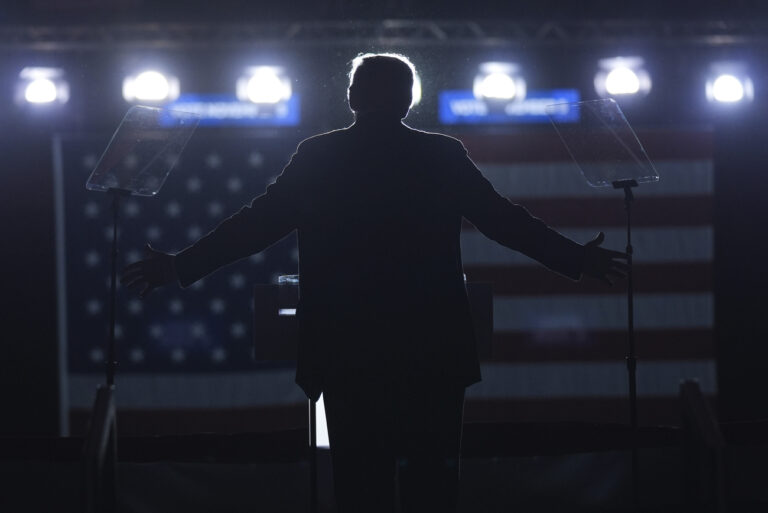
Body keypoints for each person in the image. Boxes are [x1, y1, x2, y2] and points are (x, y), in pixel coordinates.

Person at [121, 53, 627, 513]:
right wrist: (576, 259)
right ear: (409, 100)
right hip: (432, 350)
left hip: (346, 350)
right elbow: (503, 221)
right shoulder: (440, 156)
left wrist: (180, 267)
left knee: (361, 489)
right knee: (433, 488)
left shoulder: (319, 157)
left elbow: (255, 226)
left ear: (351, 98)